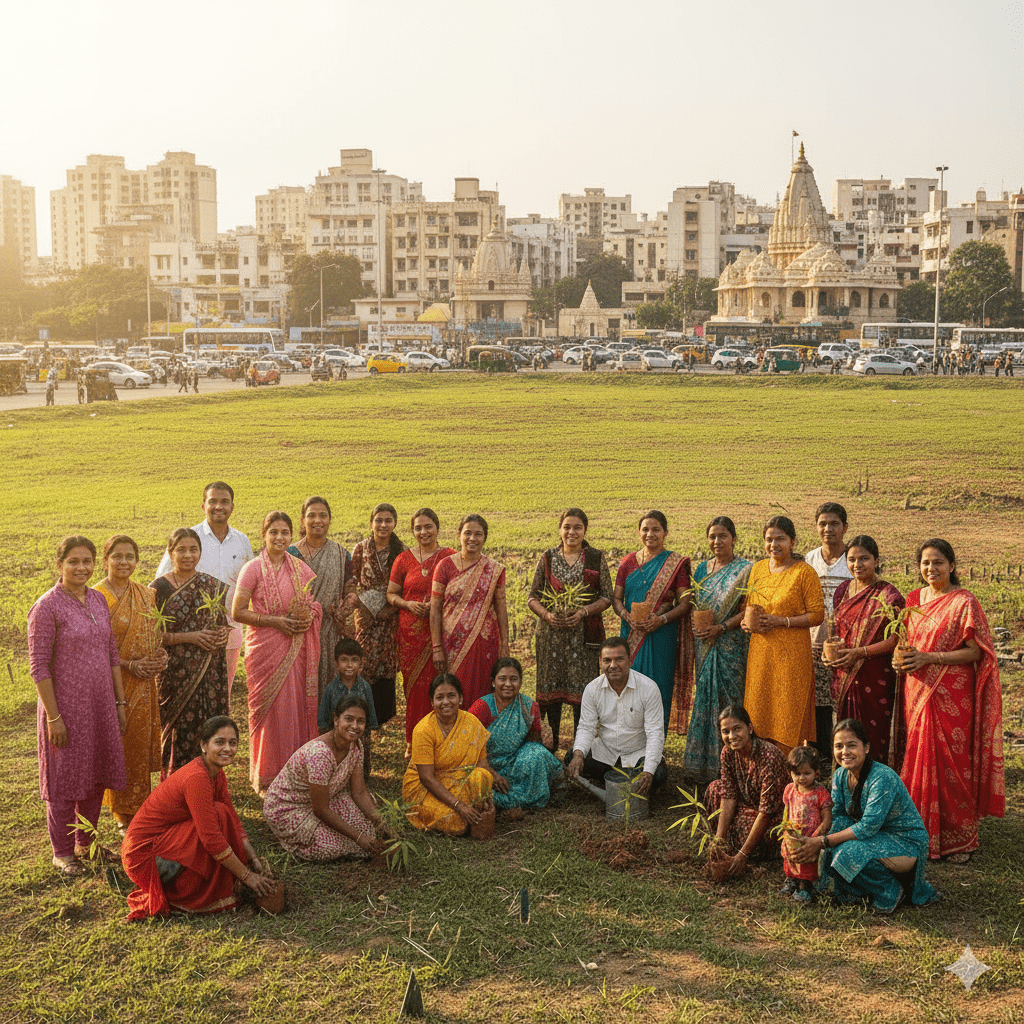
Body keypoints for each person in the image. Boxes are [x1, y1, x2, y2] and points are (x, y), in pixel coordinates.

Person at [897, 539, 1004, 862]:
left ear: (952, 566)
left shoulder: (964, 602)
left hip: (952, 693)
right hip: (917, 691)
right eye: (926, 563)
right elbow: (905, 643)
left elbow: (976, 651)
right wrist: (900, 660)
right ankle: (917, 832)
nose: (931, 569)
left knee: (953, 764)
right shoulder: (913, 600)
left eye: (938, 562)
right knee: (918, 756)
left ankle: (960, 839)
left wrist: (931, 657)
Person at [28, 536, 128, 876]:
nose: (81, 568)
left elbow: (111, 652)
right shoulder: (47, 607)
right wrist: (54, 717)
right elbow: (39, 667)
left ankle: (87, 843)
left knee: (96, 772)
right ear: (59, 565)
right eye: (73, 561)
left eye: (87, 561)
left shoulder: (98, 599)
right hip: (65, 709)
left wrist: (119, 702)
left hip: (100, 706)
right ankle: (62, 852)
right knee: (64, 779)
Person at [122, 716, 275, 920]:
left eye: (233, 743)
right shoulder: (197, 778)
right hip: (144, 856)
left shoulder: (215, 773)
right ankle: (181, 895)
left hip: (163, 843)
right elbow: (211, 839)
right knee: (216, 818)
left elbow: (233, 819)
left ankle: (208, 887)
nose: (227, 749)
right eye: (219, 742)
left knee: (221, 813)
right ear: (203, 745)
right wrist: (247, 876)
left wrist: (253, 858)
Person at [790, 719, 937, 914]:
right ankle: (852, 891)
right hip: (875, 836)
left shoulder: (881, 777)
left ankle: (891, 891)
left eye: (852, 745)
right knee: (835, 829)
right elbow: (837, 813)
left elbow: (868, 827)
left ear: (866, 747)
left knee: (846, 852)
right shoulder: (841, 775)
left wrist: (822, 842)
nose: (845, 752)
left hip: (906, 842)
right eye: (838, 746)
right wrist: (814, 838)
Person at [232, 511, 322, 795]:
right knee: (267, 713)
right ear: (264, 534)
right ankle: (267, 775)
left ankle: (294, 773)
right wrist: (276, 622)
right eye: (274, 532)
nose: (279, 538)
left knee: (294, 707)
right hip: (265, 649)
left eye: (285, 532)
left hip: (295, 649)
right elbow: (238, 611)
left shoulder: (300, 569)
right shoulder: (252, 569)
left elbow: (313, 606)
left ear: (291, 535)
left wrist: (308, 618)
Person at [155, 482, 254, 699]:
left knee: (221, 693)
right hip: (187, 636)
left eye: (224, 502)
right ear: (203, 506)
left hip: (228, 630)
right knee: (185, 694)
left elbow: (251, 582)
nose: (219, 506)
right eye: (213, 501)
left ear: (232, 507)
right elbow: (160, 583)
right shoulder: (189, 538)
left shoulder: (241, 541)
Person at [95, 535, 167, 834]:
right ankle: (122, 812)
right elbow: (96, 647)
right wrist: (129, 665)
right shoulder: (96, 596)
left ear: (137, 561)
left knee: (138, 744)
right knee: (117, 745)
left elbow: (155, 635)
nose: (124, 562)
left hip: (143, 682)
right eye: (117, 556)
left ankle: (140, 805)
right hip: (111, 682)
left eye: (129, 557)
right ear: (106, 559)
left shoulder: (146, 594)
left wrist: (160, 656)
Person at [527, 507, 613, 750]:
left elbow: (607, 596)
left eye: (577, 527)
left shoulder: (595, 558)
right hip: (551, 636)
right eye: (567, 527)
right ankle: (550, 742)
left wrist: (583, 612)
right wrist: (546, 615)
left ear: (585, 530)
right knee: (550, 692)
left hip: (582, 638)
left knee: (582, 693)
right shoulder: (548, 557)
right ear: (559, 529)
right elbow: (532, 596)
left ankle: (580, 746)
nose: (571, 532)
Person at [263, 695, 384, 861]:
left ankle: (342, 838)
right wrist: (359, 838)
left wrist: (383, 824)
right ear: (336, 719)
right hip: (289, 807)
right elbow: (320, 809)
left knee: (368, 829)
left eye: (360, 721)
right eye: (348, 719)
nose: (354, 726)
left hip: (324, 798)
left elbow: (360, 792)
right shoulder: (320, 754)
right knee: (330, 846)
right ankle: (292, 843)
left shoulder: (356, 746)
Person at [151, 528, 230, 778]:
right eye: (181, 550)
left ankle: (208, 782)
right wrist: (190, 637)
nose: (188, 555)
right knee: (177, 729)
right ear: (170, 552)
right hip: (175, 674)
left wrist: (222, 635)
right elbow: (151, 636)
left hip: (209, 672)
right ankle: (175, 785)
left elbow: (220, 624)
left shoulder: (211, 585)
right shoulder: (157, 589)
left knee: (209, 725)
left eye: (193, 549)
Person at [742, 516, 824, 753]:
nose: (774, 544)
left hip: (792, 656)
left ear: (793, 542)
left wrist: (781, 621)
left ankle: (790, 773)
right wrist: (748, 625)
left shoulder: (804, 573)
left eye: (780, 539)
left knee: (787, 710)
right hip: (760, 654)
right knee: (759, 708)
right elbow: (750, 605)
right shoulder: (757, 568)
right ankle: (761, 767)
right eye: (769, 539)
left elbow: (817, 615)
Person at [683, 516, 752, 784]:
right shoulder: (701, 569)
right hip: (704, 645)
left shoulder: (746, 570)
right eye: (712, 536)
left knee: (730, 702)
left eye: (722, 536)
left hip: (731, 645)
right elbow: (695, 604)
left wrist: (721, 628)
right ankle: (704, 767)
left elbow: (747, 609)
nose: (716, 541)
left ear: (734, 539)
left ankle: (733, 767)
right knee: (705, 699)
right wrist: (697, 624)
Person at [612, 510, 693, 734]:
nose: (650, 534)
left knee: (658, 689)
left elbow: (686, 602)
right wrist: (625, 615)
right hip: (631, 634)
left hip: (661, 636)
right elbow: (617, 599)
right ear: (638, 532)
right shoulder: (628, 562)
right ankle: (628, 743)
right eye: (645, 529)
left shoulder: (674, 563)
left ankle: (654, 749)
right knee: (628, 688)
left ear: (665, 532)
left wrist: (662, 619)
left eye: (656, 529)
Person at [826, 535, 903, 765]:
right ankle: (845, 783)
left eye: (864, 559)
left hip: (873, 677)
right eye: (851, 560)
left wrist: (860, 652)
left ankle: (874, 781)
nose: (857, 565)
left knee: (872, 733)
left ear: (877, 560)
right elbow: (836, 629)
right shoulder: (842, 590)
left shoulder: (889, 595)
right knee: (844, 732)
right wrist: (827, 651)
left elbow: (895, 639)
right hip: (843, 674)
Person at [387, 508, 455, 750]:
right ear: (412, 531)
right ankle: (413, 740)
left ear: (437, 528)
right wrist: (408, 604)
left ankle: (439, 738)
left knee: (439, 685)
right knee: (414, 689)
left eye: (428, 527)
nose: (423, 532)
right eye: (418, 528)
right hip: (410, 636)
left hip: (440, 633)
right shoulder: (403, 559)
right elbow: (391, 594)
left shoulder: (450, 558)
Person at [565, 638, 668, 795]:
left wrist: (648, 771)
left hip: (638, 754)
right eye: (607, 660)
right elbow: (586, 727)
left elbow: (655, 733)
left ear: (630, 660)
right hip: (606, 753)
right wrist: (578, 755)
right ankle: (621, 781)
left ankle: (618, 781)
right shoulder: (592, 689)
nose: (613, 665)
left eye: (619, 659)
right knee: (572, 757)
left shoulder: (648, 688)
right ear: (600, 662)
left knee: (658, 773)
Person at [468, 657, 565, 819]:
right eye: (502, 679)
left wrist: (529, 768)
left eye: (513, 679)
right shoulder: (482, 707)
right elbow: (469, 746)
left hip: (514, 766)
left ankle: (517, 802)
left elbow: (533, 743)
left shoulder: (528, 707)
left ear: (520, 682)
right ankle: (511, 804)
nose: (508, 684)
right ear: (493, 682)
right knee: (475, 789)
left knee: (537, 753)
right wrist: (490, 773)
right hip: (483, 766)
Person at [430, 514, 509, 708]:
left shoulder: (493, 569)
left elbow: (501, 609)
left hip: (484, 643)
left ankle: (481, 734)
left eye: (478, 534)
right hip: (451, 644)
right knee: (454, 691)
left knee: (482, 694)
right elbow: (435, 609)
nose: (472, 538)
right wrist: (437, 647)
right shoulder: (445, 566)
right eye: (467, 533)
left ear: (485, 538)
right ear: (459, 535)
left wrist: (505, 644)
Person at [403, 673, 497, 835]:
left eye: (451, 696)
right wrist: (458, 806)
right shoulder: (423, 730)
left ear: (460, 698)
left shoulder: (472, 722)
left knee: (483, 776)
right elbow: (427, 778)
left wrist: (486, 798)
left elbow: (482, 765)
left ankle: (474, 814)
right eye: (440, 697)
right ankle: (464, 817)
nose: (446, 702)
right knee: (454, 821)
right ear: (432, 702)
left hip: (458, 779)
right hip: (425, 788)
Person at [705, 705, 788, 876]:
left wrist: (743, 855)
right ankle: (727, 845)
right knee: (714, 788)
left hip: (774, 815)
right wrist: (719, 840)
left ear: (749, 729)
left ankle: (745, 851)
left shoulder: (768, 757)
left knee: (747, 831)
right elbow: (728, 795)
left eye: (737, 729)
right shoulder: (727, 752)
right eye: (725, 731)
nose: (732, 736)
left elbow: (766, 811)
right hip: (747, 804)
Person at [287, 495, 357, 699]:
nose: (317, 520)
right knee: (300, 689)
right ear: (303, 520)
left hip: (331, 632)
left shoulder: (341, 554)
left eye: (323, 516)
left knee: (329, 688)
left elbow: (350, 590)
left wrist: (347, 605)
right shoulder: (291, 554)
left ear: (329, 519)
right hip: (299, 632)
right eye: (312, 516)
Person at [351, 503, 406, 727]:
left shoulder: (401, 551)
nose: (383, 525)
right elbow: (352, 582)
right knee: (364, 663)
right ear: (371, 522)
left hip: (390, 618)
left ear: (394, 524)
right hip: (365, 618)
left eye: (388, 521)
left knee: (386, 664)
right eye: (379, 520)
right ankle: (362, 714)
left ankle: (382, 717)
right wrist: (360, 607)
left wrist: (389, 609)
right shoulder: (360, 549)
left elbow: (405, 588)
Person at [806, 503, 853, 757]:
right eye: (822, 523)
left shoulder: (853, 558)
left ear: (845, 527)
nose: (828, 529)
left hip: (845, 640)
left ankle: (845, 750)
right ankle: (821, 753)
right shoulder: (810, 559)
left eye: (834, 523)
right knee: (818, 698)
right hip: (812, 638)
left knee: (842, 696)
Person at [317, 637, 378, 781]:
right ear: (336, 663)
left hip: (359, 737)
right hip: (337, 739)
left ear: (361, 663)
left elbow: (370, 720)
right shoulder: (330, 689)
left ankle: (362, 781)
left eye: (354, 660)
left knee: (361, 764)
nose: (349, 665)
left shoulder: (365, 688)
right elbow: (323, 722)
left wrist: (364, 740)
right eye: (344, 660)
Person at [780, 745, 833, 903]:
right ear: (791, 773)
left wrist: (817, 837)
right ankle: (791, 880)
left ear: (816, 773)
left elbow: (827, 817)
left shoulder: (820, 793)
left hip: (812, 836)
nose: (801, 778)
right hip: (793, 834)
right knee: (791, 857)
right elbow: (786, 811)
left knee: (808, 861)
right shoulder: (790, 790)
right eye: (797, 773)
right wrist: (785, 828)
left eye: (806, 773)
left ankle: (805, 886)